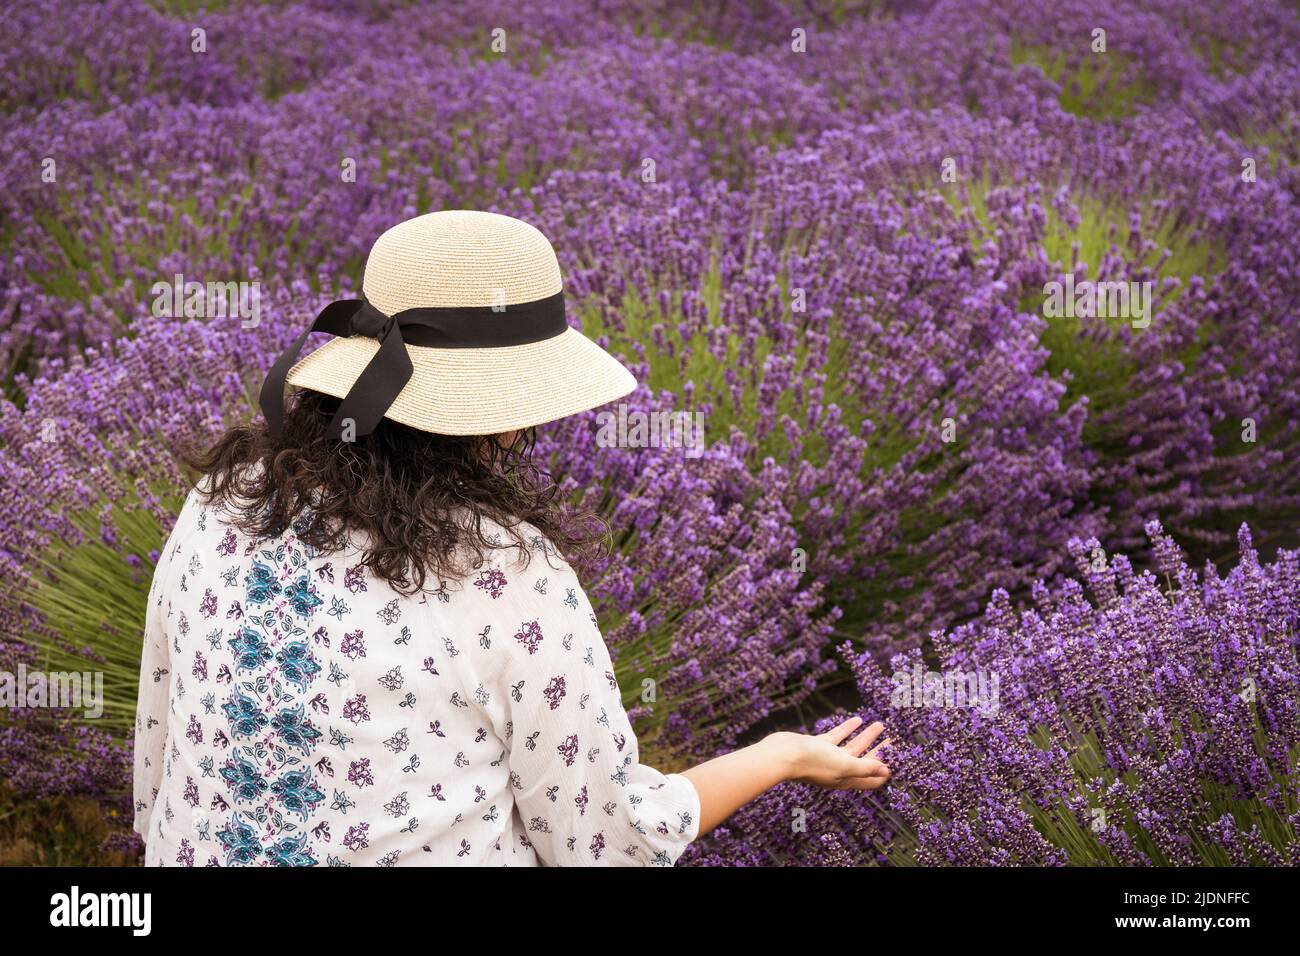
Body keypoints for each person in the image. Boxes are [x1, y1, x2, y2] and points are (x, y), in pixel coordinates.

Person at [132, 210, 889, 867]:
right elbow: (607, 844)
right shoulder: (504, 573)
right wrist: (777, 755)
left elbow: (158, 753)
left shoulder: (222, 501)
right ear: (506, 409)